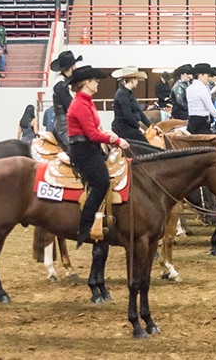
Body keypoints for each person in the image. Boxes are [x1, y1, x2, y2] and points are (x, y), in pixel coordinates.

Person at [64, 65, 130, 247]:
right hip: (83, 150)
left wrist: (109, 134)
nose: (97, 83)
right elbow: (92, 134)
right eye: (95, 80)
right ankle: (85, 223)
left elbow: (94, 130)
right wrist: (116, 140)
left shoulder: (86, 101)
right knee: (102, 182)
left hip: (89, 148)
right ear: (86, 83)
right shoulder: (80, 103)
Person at [111, 66, 151, 142]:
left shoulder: (129, 93)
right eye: (136, 79)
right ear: (132, 80)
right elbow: (127, 115)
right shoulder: (122, 94)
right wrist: (138, 127)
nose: (137, 81)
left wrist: (151, 126)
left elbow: (139, 111)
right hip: (123, 128)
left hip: (129, 126)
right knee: (144, 143)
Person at [186, 63, 216, 134]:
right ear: (200, 76)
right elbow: (210, 106)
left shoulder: (190, 87)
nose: (209, 78)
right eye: (208, 75)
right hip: (201, 123)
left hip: (191, 121)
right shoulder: (202, 88)